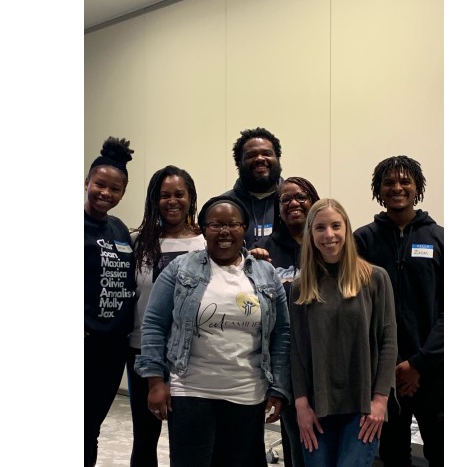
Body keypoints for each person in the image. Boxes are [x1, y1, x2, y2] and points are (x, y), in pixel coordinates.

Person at [134, 195, 292, 467]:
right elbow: (154, 324)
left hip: (247, 392)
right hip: (191, 390)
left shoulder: (266, 274)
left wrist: (278, 388)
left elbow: (282, 334)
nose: (225, 231)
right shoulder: (180, 268)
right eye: (216, 224)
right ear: (203, 229)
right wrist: (155, 380)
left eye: (233, 224)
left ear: (245, 229)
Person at [289, 198, 397, 467]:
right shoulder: (301, 286)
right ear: (310, 234)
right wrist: (301, 406)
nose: (329, 235)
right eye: (320, 228)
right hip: (317, 409)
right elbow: (296, 350)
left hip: (362, 409)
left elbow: (388, 342)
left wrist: (380, 401)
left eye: (336, 226)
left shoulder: (375, 278)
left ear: (346, 229)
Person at [353, 156, 443, 467]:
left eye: (405, 181)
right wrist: (391, 363)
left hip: (434, 371)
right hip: (383, 373)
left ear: (417, 187)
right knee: (391, 455)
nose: (397, 187)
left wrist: (418, 363)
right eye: (389, 182)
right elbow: (355, 308)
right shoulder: (362, 241)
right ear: (378, 189)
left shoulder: (441, 239)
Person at [127, 165, 206, 466]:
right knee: (144, 438)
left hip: (191, 354)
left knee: (186, 438)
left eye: (179, 194)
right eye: (164, 195)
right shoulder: (139, 241)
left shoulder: (204, 241)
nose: (172, 201)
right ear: (153, 200)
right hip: (143, 350)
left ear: (191, 198)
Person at [251, 177, 321, 467]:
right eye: (285, 200)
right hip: (286, 359)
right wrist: (251, 264)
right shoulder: (264, 251)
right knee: (296, 439)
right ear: (278, 210)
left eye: (301, 197)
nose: (293, 203)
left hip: (324, 356)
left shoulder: (328, 243)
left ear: (314, 201)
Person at [84, 136, 138, 467]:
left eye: (114, 189)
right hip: (85, 345)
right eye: (99, 185)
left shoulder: (119, 229)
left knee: (91, 428)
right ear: (86, 182)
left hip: (113, 347)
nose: (106, 193)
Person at [223, 126, 284, 248]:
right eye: (251, 155)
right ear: (238, 163)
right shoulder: (224, 205)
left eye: (267, 153)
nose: (260, 158)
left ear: (277, 159)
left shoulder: (294, 203)